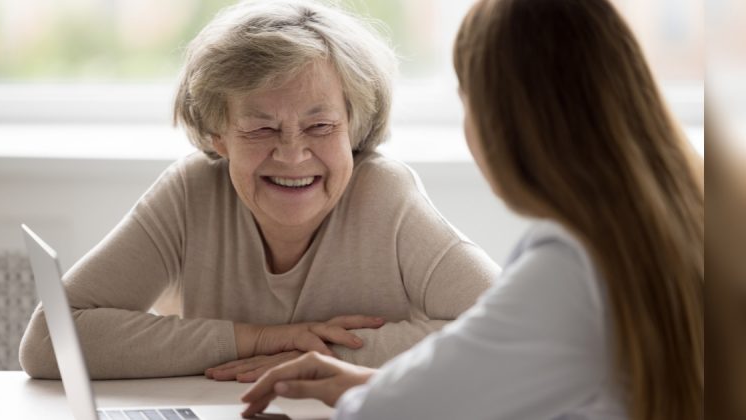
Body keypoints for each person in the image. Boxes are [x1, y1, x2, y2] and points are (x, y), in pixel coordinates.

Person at [240, 0, 704, 419]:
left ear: (504, 120)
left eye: (467, 100)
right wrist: (374, 384)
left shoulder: (573, 265)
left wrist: (374, 395)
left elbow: (391, 413)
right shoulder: (689, 217)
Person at [18, 0, 500, 381]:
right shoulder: (191, 193)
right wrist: (257, 339)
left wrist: (319, 356)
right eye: (260, 129)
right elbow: (46, 342)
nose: (292, 154)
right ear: (217, 135)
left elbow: (510, 327)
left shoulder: (384, 195)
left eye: (320, 125)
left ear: (353, 129)